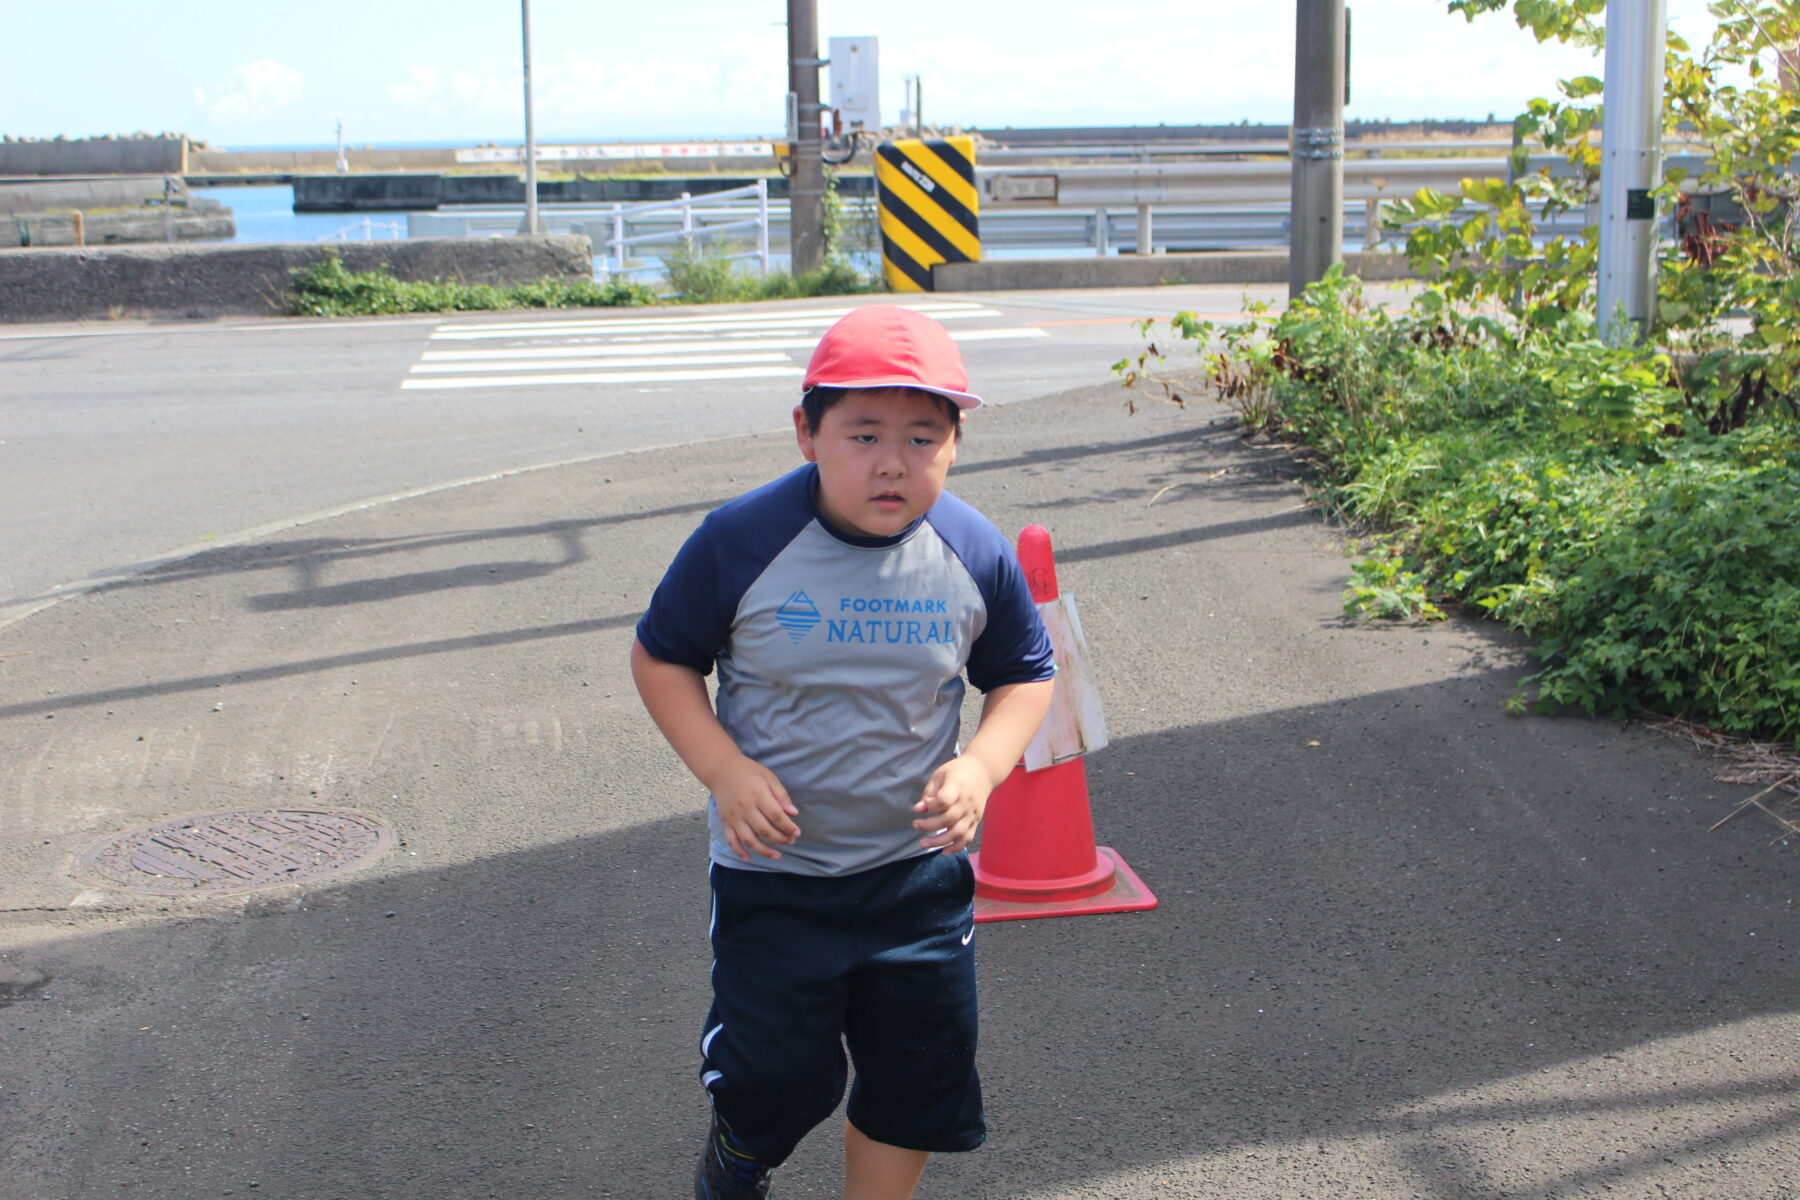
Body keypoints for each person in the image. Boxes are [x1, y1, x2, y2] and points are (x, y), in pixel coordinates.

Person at [631, 304, 1057, 1200]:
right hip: (776, 873)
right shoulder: (740, 541)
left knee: (917, 1081)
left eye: (922, 436)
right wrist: (724, 768)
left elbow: (1025, 674)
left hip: (916, 876)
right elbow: (662, 657)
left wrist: (980, 766)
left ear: (956, 442)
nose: (893, 462)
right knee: (778, 1081)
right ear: (807, 433)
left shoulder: (972, 551)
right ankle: (741, 1156)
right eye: (863, 434)